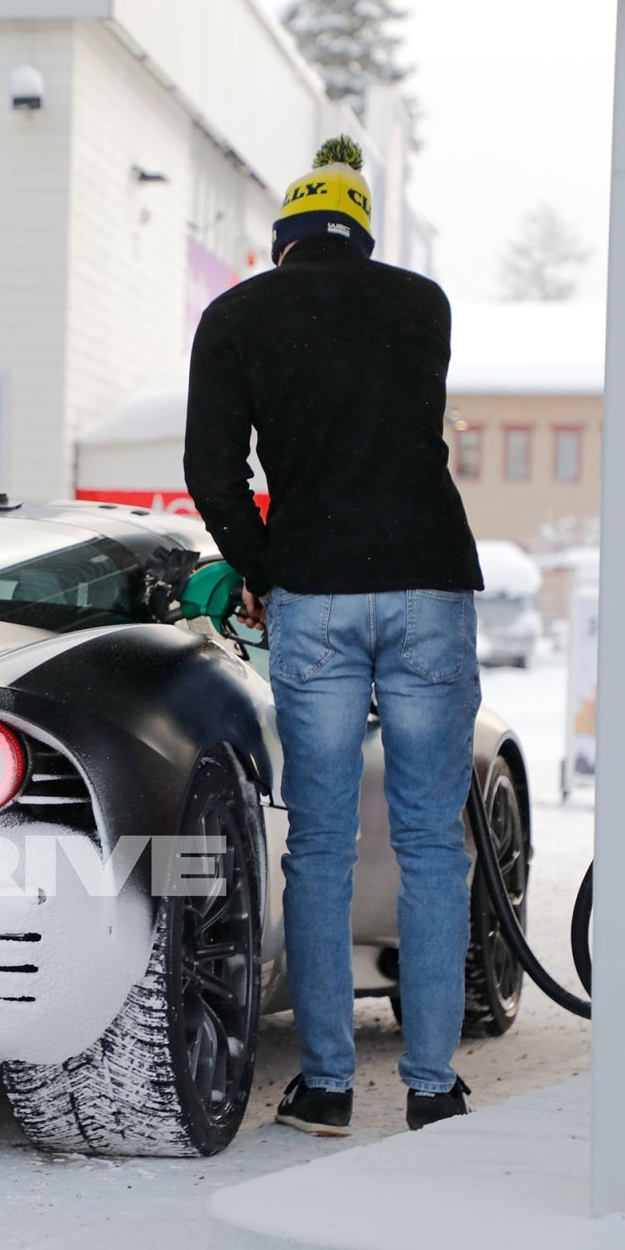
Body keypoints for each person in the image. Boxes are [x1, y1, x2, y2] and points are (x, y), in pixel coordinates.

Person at [183, 136, 484, 1135]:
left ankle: (324, 1086)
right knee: (431, 840)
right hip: (428, 583)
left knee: (319, 843)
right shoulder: (422, 303)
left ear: (282, 240)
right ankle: (432, 1088)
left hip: (313, 590)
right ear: (360, 236)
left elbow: (212, 470)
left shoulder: (236, 316)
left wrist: (258, 565)